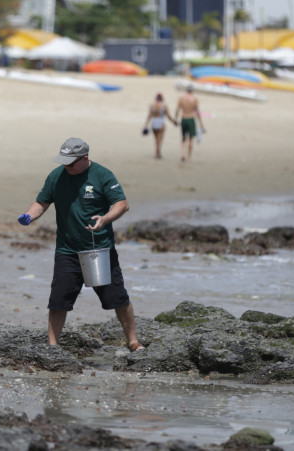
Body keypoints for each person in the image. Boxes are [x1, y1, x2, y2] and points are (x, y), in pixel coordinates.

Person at [17, 138, 144, 351]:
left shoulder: (103, 175)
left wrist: (105, 219)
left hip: (100, 249)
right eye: (64, 161)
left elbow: (122, 204)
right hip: (67, 250)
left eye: (71, 162)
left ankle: (133, 341)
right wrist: (30, 215)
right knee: (58, 301)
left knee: (118, 298)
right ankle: (52, 347)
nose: (66, 166)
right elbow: (42, 202)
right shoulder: (56, 176)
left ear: (85, 158)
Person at [175, 85, 206, 162]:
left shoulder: (181, 98)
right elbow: (197, 112)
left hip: (184, 118)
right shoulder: (194, 99)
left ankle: (182, 154)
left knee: (183, 138)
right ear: (192, 91)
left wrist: (175, 119)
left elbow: (177, 110)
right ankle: (188, 157)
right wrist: (201, 123)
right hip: (191, 118)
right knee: (191, 139)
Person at [143, 93, 177, 159]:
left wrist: (146, 125)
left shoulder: (152, 106)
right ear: (162, 99)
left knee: (156, 139)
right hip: (161, 123)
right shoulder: (164, 106)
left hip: (154, 122)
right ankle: (157, 152)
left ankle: (157, 152)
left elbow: (149, 116)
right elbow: (168, 116)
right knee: (160, 139)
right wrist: (174, 122)